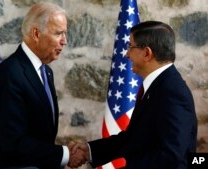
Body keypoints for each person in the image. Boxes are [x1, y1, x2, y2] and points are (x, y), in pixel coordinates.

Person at [69, 21, 198, 169]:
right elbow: (133, 139)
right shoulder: (159, 85)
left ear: (147, 53)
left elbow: (170, 156)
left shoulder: (172, 91)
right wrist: (89, 150)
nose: (127, 54)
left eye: (130, 46)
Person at [0, 2, 85, 169]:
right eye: (58, 33)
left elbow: (41, 134)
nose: (64, 41)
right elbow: (14, 143)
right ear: (36, 33)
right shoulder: (9, 74)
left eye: (65, 34)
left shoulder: (46, 72)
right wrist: (65, 154)